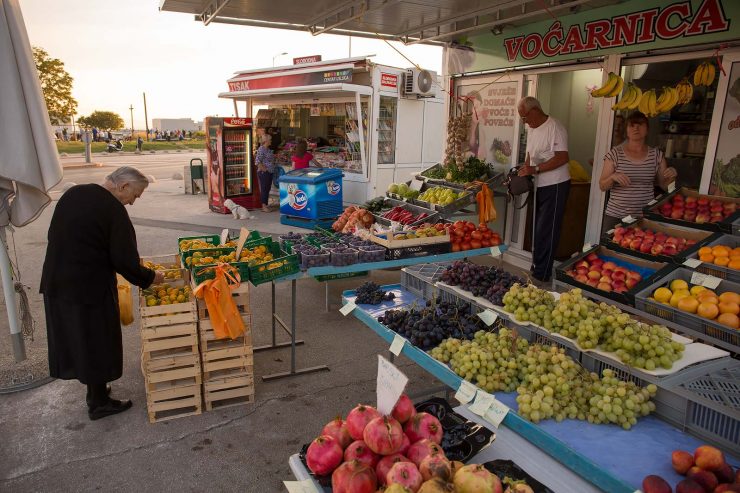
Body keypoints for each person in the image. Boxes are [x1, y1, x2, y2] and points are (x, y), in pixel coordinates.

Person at [40, 167, 164, 421]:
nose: (132, 202)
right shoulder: (113, 210)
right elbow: (123, 260)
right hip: (88, 288)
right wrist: (150, 278)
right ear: (124, 187)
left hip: (56, 282)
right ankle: (98, 404)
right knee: (97, 341)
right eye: (135, 196)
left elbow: (55, 235)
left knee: (81, 341)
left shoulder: (74, 194)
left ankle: (95, 391)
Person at [517, 96, 571, 286]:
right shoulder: (531, 129)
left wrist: (536, 169)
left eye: (524, 117)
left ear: (534, 111)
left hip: (556, 184)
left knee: (547, 229)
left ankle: (542, 273)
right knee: (537, 229)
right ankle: (536, 267)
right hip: (539, 184)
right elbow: (530, 155)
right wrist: (525, 171)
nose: (524, 122)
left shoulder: (554, 127)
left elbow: (562, 157)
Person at [599, 111, 678, 234]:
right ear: (627, 131)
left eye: (640, 124)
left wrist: (672, 175)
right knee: (609, 250)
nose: (636, 128)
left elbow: (666, 186)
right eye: (632, 125)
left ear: (647, 130)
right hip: (615, 216)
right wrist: (613, 177)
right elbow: (602, 186)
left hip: (643, 217)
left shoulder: (656, 155)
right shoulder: (615, 154)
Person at [255, 133, 275, 212]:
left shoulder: (268, 149)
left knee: (267, 188)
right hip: (264, 173)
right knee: (264, 189)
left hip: (269, 172)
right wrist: (264, 169)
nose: (271, 141)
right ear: (266, 140)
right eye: (270, 140)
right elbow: (257, 162)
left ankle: (265, 204)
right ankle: (263, 206)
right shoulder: (261, 149)